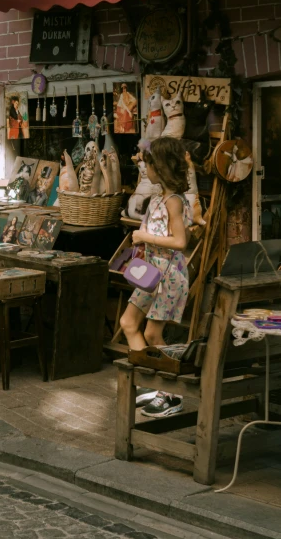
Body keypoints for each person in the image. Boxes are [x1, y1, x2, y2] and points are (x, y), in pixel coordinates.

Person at [119, 137, 192, 418]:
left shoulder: (173, 201)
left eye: (147, 163)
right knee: (128, 322)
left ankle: (172, 395)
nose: (143, 167)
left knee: (152, 333)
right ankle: (153, 383)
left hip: (169, 276)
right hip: (151, 273)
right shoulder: (160, 197)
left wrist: (143, 236)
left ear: (159, 167)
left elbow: (180, 242)